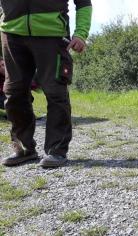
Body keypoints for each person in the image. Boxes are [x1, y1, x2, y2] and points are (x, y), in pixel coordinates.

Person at [0, 1, 92, 167]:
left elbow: (84, 2)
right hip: (11, 32)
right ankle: (24, 149)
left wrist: (81, 34)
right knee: (14, 92)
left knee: (55, 90)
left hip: (52, 33)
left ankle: (56, 151)